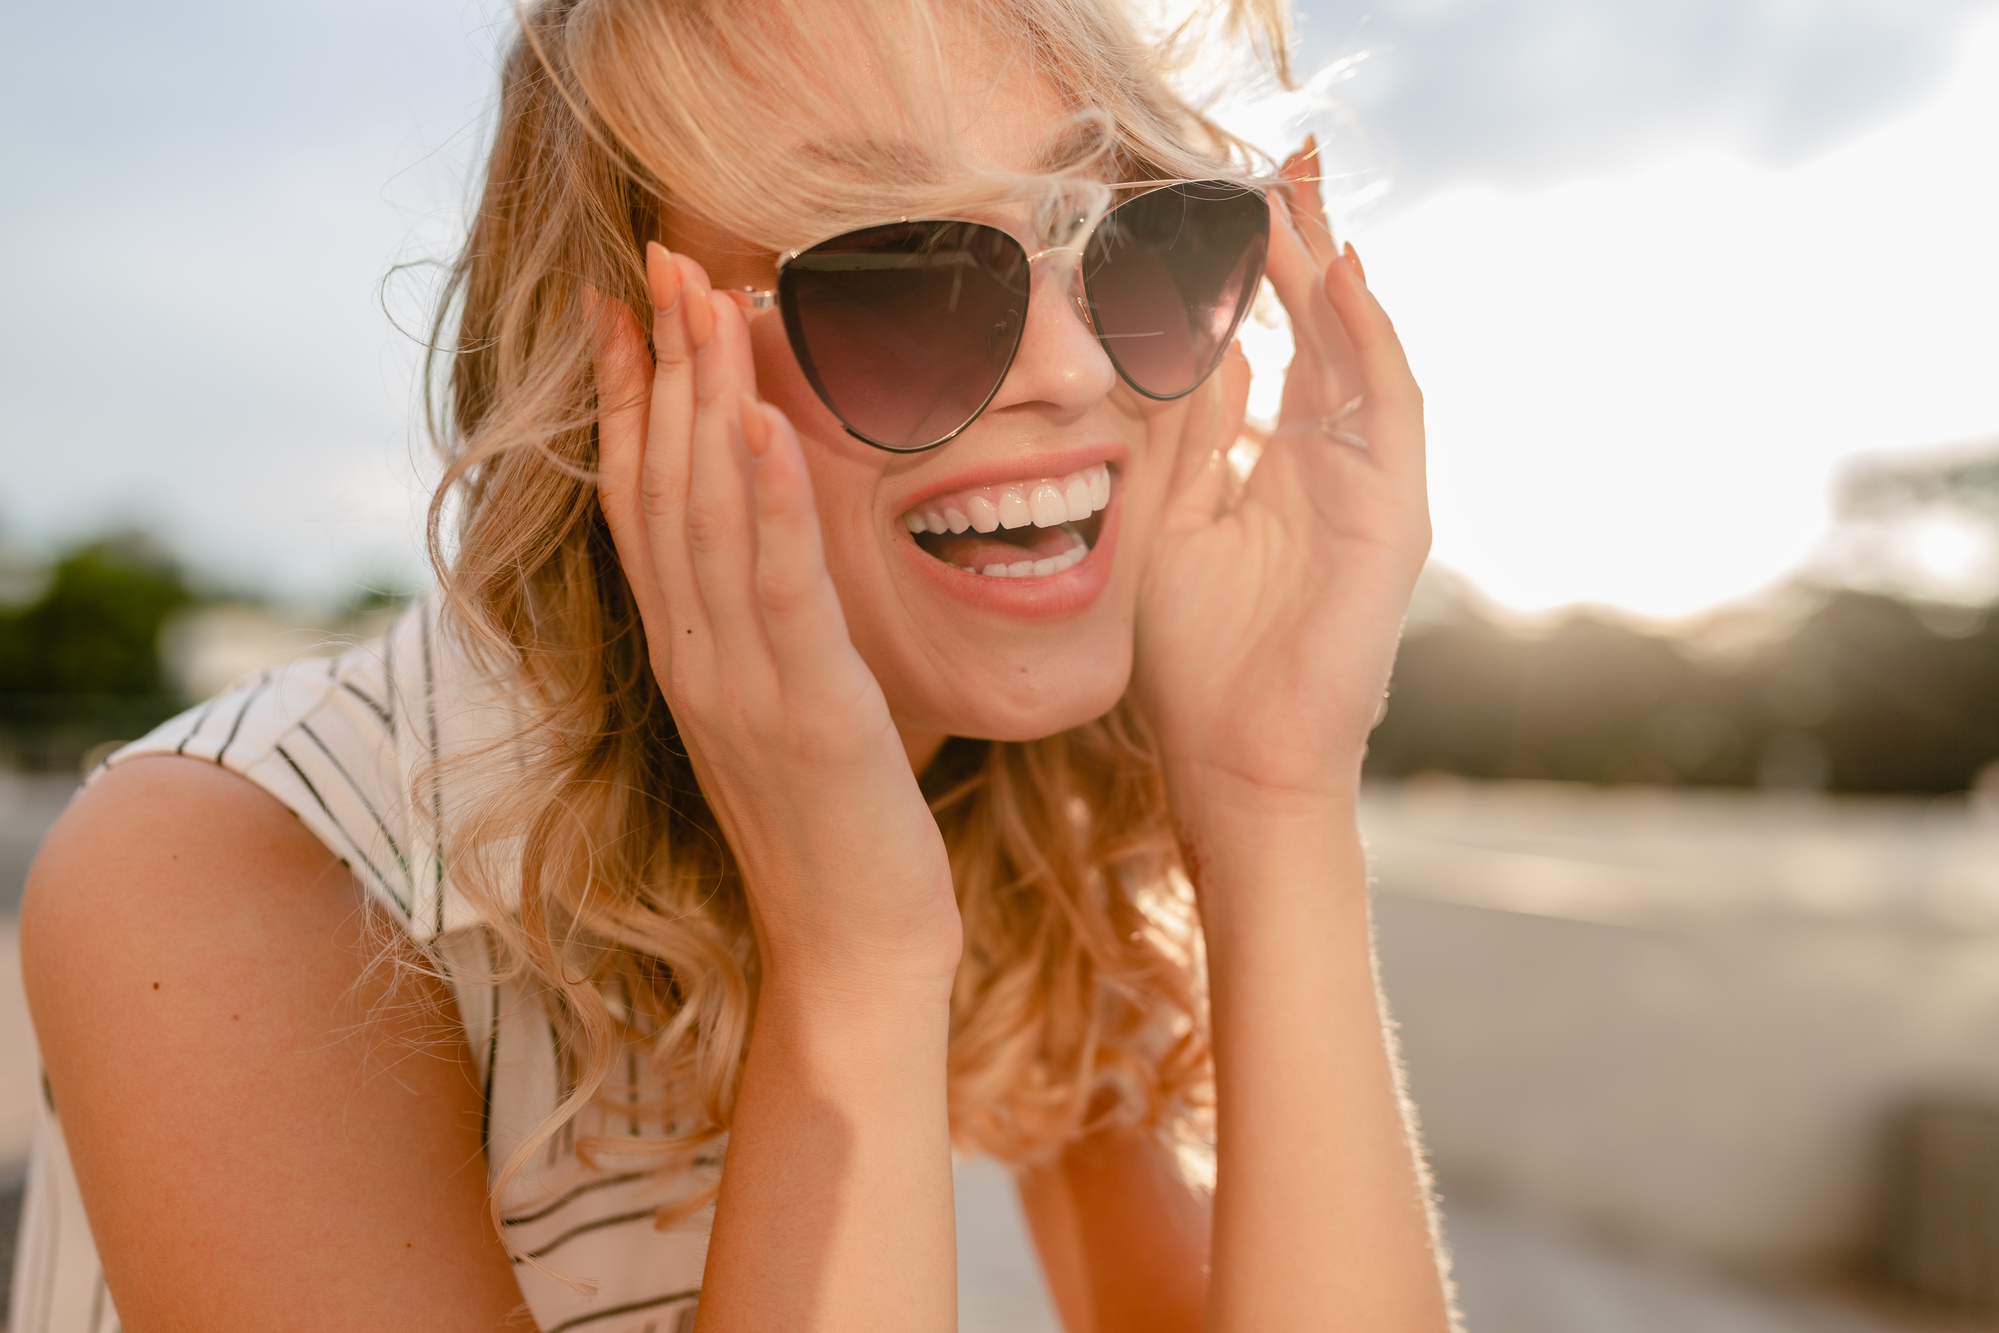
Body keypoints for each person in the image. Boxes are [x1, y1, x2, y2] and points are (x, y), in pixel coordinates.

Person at [14, 0, 1449, 1328]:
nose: (1072, 367)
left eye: (1130, 236)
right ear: (613, 374)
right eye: (899, 273)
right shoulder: (227, 865)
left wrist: (1272, 799)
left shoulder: (1012, 791)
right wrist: (856, 964)